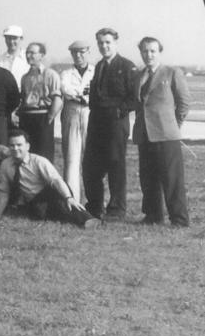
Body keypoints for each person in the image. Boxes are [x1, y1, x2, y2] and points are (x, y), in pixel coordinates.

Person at [132, 36, 190, 227]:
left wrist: (173, 125)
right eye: (145, 51)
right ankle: (153, 216)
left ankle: (179, 219)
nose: (148, 55)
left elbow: (184, 103)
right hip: (144, 134)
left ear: (159, 52)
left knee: (172, 179)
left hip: (166, 135)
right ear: (141, 52)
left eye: (152, 51)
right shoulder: (139, 76)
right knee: (148, 178)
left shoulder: (172, 73)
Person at [84, 27, 137, 221]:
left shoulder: (127, 66)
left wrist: (119, 111)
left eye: (107, 42)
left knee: (115, 165)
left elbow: (134, 97)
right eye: (100, 43)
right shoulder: (99, 66)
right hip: (97, 121)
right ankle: (94, 206)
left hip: (116, 122)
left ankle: (116, 209)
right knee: (90, 166)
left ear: (116, 43)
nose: (104, 46)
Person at [0, 130, 98, 229]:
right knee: (44, 213)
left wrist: (68, 197)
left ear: (27, 146)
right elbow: (4, 191)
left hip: (50, 193)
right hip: (33, 201)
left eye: (19, 145)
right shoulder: (6, 165)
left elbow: (56, 180)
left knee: (63, 204)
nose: (15, 148)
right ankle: (80, 220)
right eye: (12, 145)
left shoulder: (39, 161)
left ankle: (88, 220)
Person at [59, 40, 94, 201]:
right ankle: (72, 200)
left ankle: (92, 201)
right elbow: (66, 90)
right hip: (71, 112)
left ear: (88, 52)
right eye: (75, 53)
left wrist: (84, 95)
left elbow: (95, 91)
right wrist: (83, 93)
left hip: (90, 112)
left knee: (91, 157)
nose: (78, 56)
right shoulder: (66, 73)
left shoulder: (95, 71)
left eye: (82, 52)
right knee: (71, 158)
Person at [17, 42, 62, 160]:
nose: (29, 55)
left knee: (43, 155)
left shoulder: (50, 74)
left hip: (42, 118)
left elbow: (57, 100)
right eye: (27, 52)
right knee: (27, 155)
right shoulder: (25, 77)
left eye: (32, 53)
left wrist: (49, 118)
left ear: (41, 55)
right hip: (26, 118)